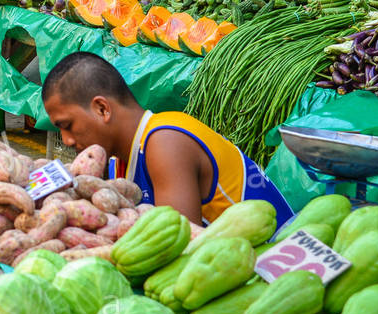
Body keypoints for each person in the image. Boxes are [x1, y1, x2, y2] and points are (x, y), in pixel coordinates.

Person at [40, 52, 293, 226]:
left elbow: (175, 247)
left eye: (67, 125)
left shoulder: (165, 141)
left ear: (102, 109)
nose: (67, 140)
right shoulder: (117, 162)